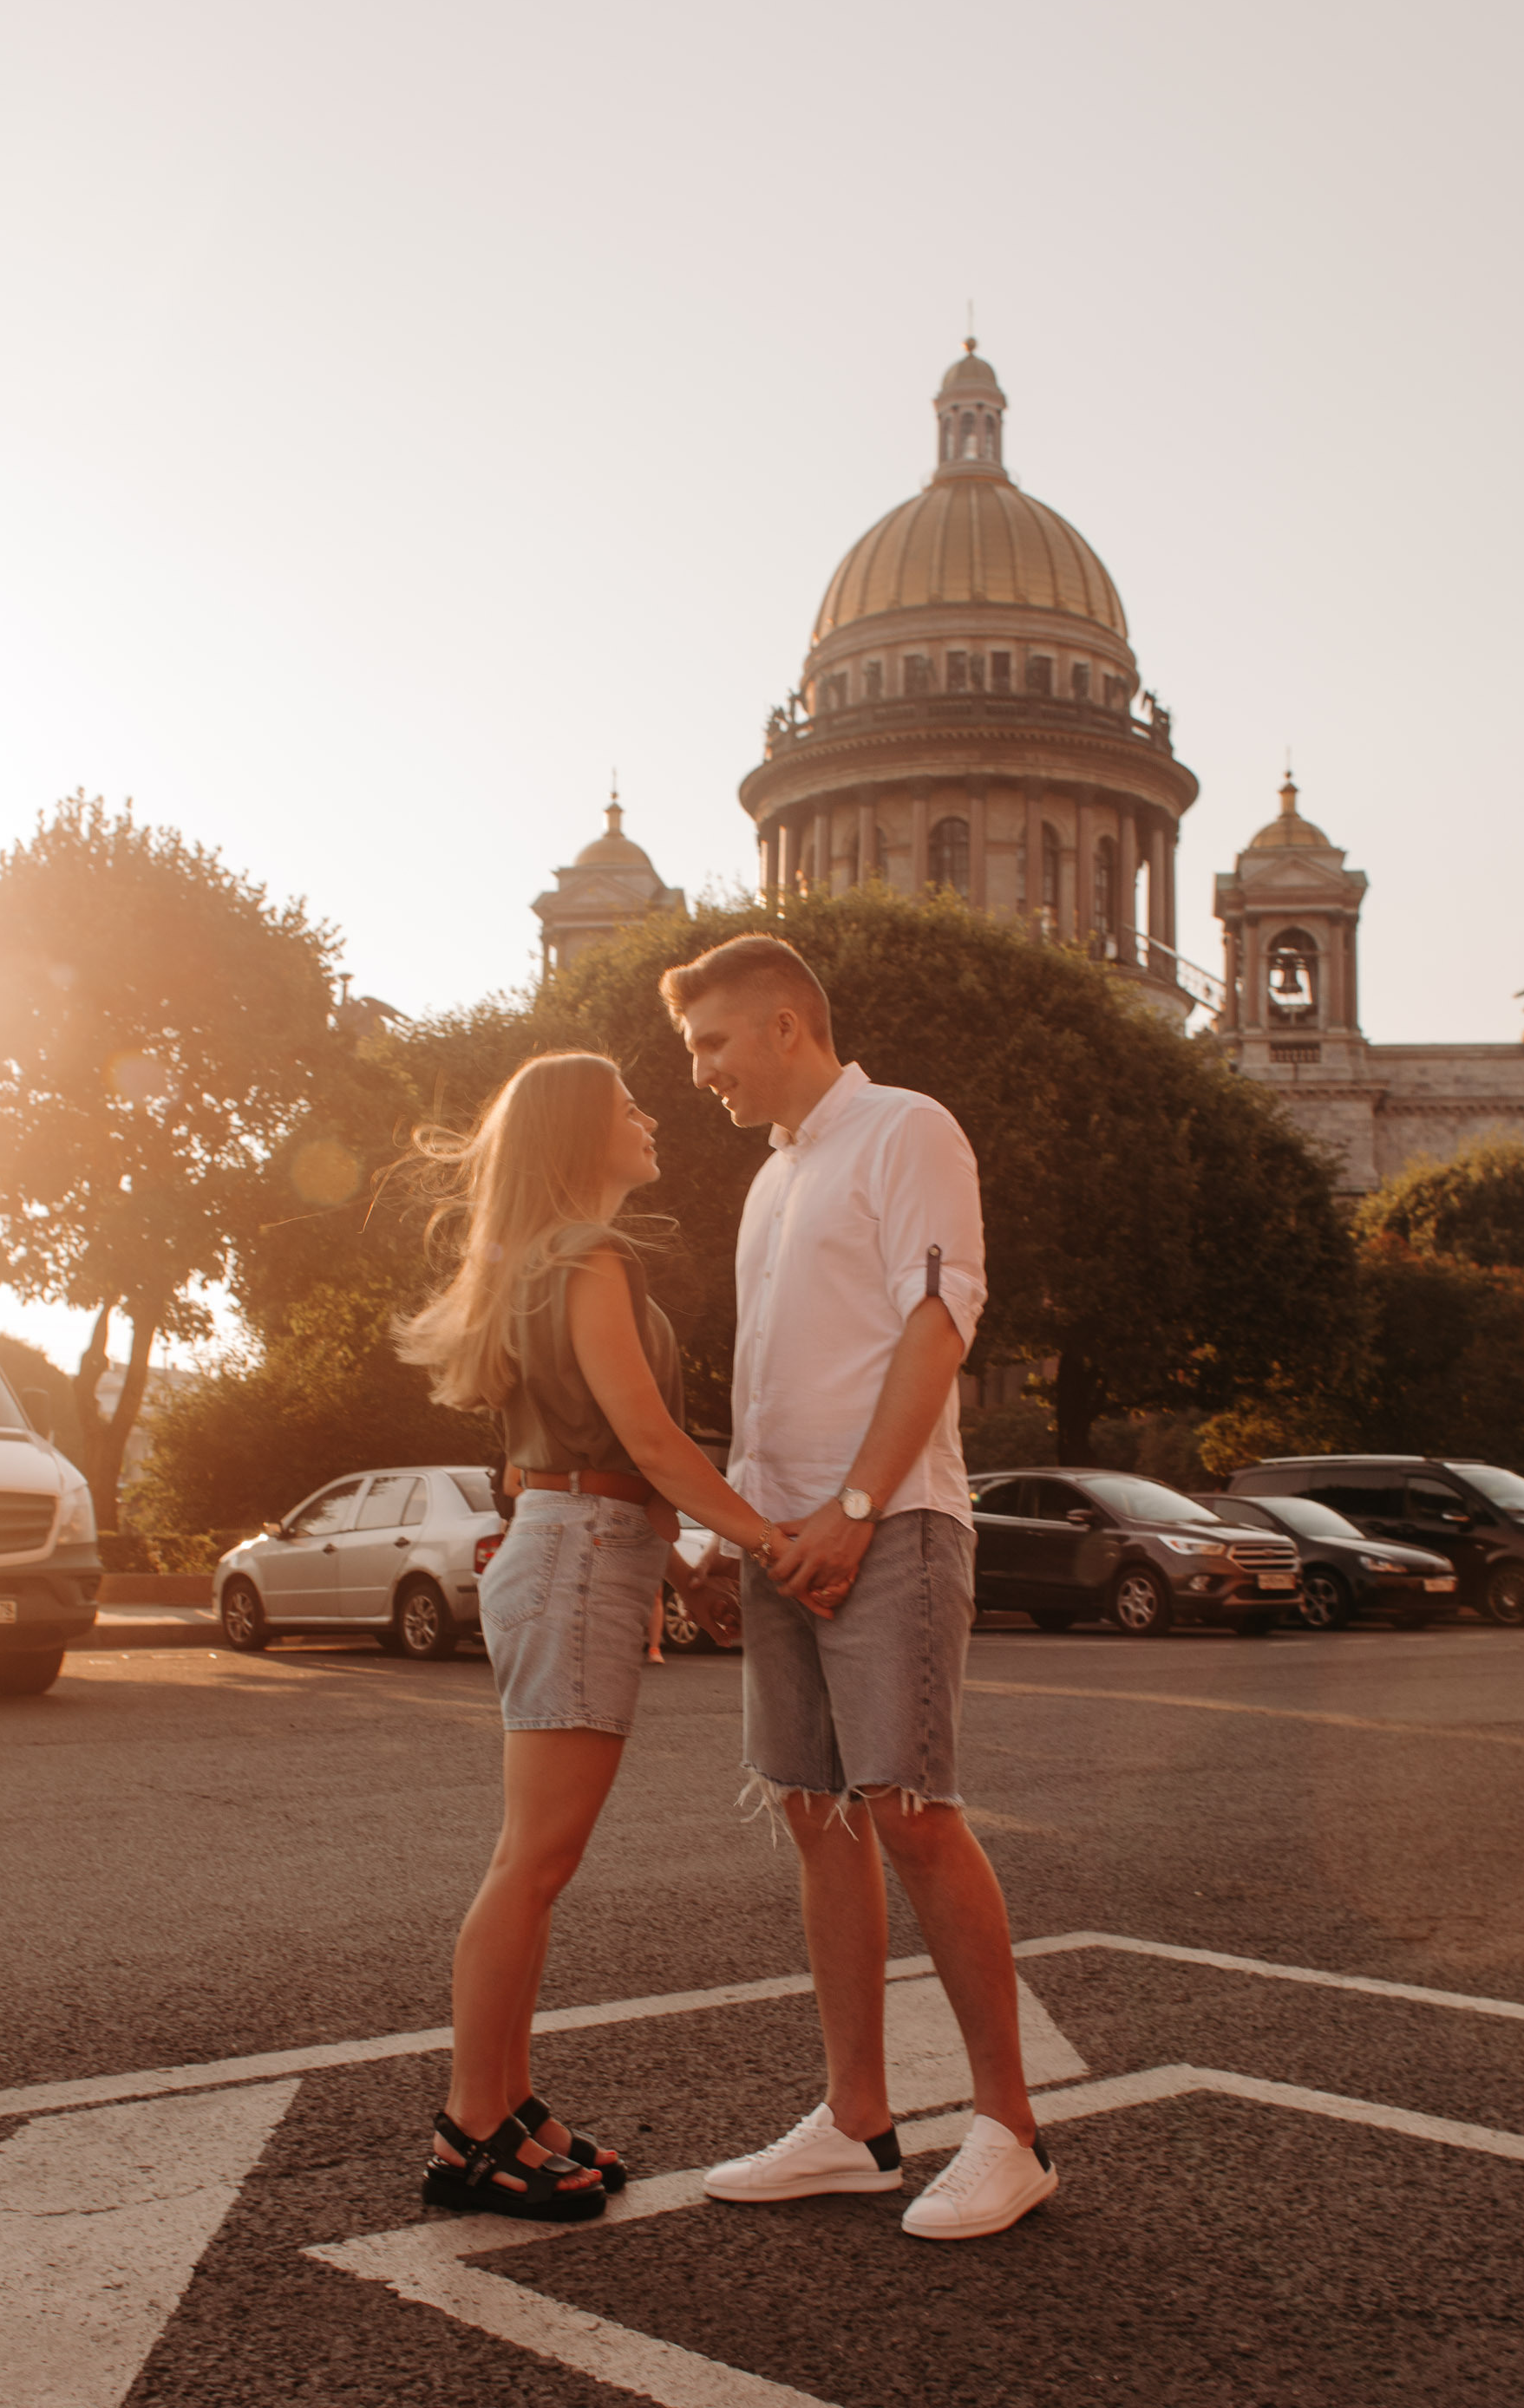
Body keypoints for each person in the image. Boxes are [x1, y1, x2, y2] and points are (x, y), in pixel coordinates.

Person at [661, 935, 1058, 2242]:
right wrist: (727, 1539)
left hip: (889, 1526)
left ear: (786, 1024)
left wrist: (853, 1508)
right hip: (783, 1538)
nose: (699, 1071)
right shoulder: (770, 1180)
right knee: (815, 1815)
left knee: (913, 1811)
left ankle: (1010, 2131)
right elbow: (771, 1377)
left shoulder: (906, 1129)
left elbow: (943, 1323)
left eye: (713, 1043)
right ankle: (857, 2121)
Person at [396, 1049, 786, 2221]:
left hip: (579, 1548)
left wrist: (680, 1571)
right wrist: (766, 1544)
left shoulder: (551, 1258)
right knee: (535, 1860)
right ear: (578, 1135)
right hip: (573, 1557)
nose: (649, 1114)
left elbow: (611, 1463)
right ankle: (472, 2130)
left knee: (539, 1857)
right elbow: (651, 1445)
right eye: (626, 1105)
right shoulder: (587, 1257)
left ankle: (506, 2105)